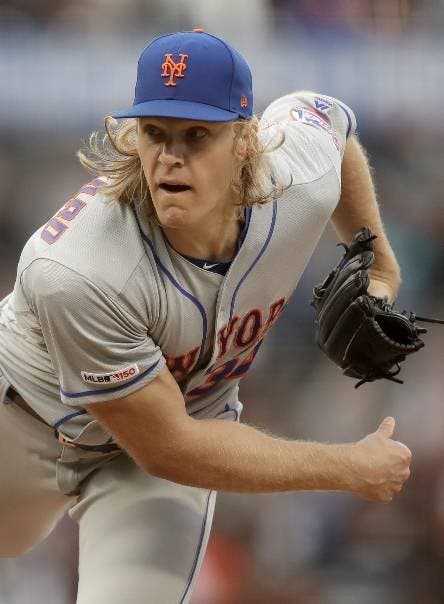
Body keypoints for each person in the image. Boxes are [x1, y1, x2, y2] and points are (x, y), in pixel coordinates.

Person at [0, 29, 411, 603]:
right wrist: (346, 467)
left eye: (197, 135)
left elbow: (334, 126)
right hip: (24, 427)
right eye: (155, 134)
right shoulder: (78, 267)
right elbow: (169, 444)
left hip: (154, 461)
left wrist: (381, 269)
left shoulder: (292, 177)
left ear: (246, 140)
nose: (170, 157)